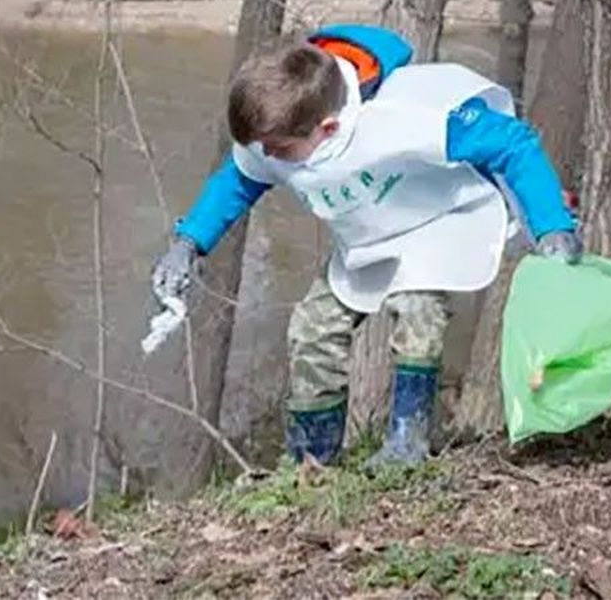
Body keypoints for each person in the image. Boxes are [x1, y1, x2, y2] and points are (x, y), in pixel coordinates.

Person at [151, 23, 582, 469]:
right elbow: (236, 182)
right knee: (312, 328)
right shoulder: (280, 133)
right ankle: (311, 460)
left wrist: (551, 225)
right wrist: (188, 243)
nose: (270, 158)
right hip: (364, 238)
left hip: (433, 225)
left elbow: (512, 144)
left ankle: (407, 442)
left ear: (328, 127)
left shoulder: (402, 115)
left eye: (279, 150)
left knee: (418, 313)